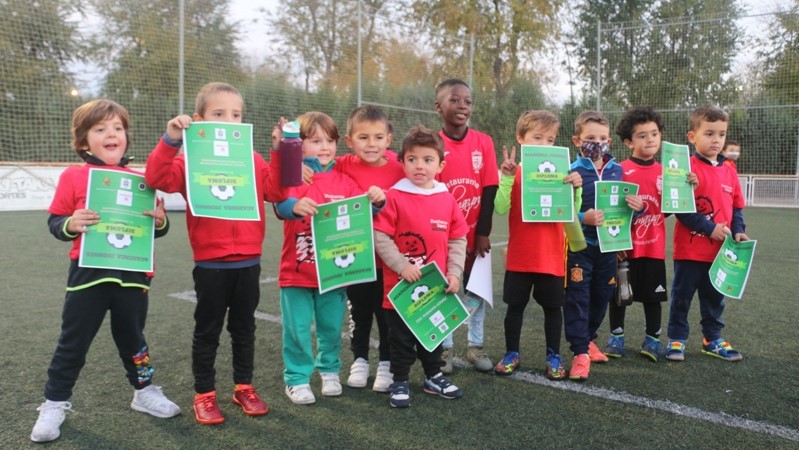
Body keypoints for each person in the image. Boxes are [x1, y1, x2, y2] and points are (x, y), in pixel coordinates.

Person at [31, 99, 180, 443]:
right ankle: (54, 403)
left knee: (134, 340)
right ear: (84, 141)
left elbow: (156, 229)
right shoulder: (73, 176)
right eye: (100, 129)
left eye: (117, 128)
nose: (111, 134)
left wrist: (160, 221)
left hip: (133, 277)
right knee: (73, 343)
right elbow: (55, 222)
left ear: (126, 136)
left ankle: (144, 391)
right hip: (88, 276)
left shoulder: (144, 180)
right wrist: (71, 223)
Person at [145, 82, 285, 425]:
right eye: (219, 113)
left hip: (249, 261)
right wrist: (171, 140)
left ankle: (244, 388)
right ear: (199, 119)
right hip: (210, 264)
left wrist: (280, 150)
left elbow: (276, 190)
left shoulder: (252, 158)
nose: (229, 121)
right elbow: (157, 178)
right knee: (207, 331)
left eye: (236, 115)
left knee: (244, 329)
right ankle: (204, 394)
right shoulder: (190, 158)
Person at [273, 112, 385, 405]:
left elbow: (363, 212)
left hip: (334, 275)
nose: (324, 147)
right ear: (299, 145)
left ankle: (329, 370)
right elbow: (279, 205)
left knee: (331, 327)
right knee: (297, 329)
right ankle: (297, 379)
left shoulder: (345, 182)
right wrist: (294, 206)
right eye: (315, 141)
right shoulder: (292, 177)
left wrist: (376, 201)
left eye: (330, 141)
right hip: (296, 274)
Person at [374, 125, 468, 408]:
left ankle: (433, 376)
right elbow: (380, 237)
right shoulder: (393, 196)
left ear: (440, 165)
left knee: (433, 336)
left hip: (435, 292)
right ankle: (400, 380)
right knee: (400, 339)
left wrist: (454, 273)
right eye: (412, 159)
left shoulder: (447, 199)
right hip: (400, 291)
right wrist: (401, 266)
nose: (419, 166)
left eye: (428, 160)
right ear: (402, 162)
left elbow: (458, 239)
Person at [493, 110, 582, 380]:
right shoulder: (515, 173)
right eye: (537, 138)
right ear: (521, 138)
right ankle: (512, 353)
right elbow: (500, 208)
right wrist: (507, 178)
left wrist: (576, 190)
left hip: (551, 257)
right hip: (520, 257)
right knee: (515, 308)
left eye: (550, 140)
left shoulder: (561, 174)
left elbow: (572, 214)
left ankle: (553, 355)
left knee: (553, 309)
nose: (545, 144)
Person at [604, 106, 696, 362]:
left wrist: (688, 188)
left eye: (654, 134)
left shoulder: (668, 173)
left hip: (653, 247)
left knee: (653, 297)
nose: (650, 140)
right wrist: (615, 241)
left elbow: (667, 211)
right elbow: (611, 209)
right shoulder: (619, 170)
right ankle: (616, 337)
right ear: (628, 142)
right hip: (624, 247)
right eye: (642, 135)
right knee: (619, 296)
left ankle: (653, 339)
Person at [564, 110, 644, 381]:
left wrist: (639, 208)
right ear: (577, 140)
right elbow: (560, 210)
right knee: (578, 298)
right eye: (590, 138)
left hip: (609, 248)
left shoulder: (617, 171)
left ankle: (587, 339)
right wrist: (581, 217)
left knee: (602, 296)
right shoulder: (571, 171)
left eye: (602, 139)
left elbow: (623, 210)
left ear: (609, 141)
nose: (596, 144)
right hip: (580, 247)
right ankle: (579, 353)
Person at [666, 105, 748, 362]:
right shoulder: (685, 168)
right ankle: (676, 338)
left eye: (721, 134)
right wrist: (710, 228)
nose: (716, 140)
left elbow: (737, 207)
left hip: (720, 253)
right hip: (689, 251)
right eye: (709, 133)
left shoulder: (729, 171)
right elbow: (681, 209)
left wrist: (739, 231)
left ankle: (712, 338)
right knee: (682, 296)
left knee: (714, 299)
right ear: (692, 137)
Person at [337, 105, 406, 392]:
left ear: (389, 139)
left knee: (386, 314)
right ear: (349, 140)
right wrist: (305, 167)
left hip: (388, 260)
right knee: (360, 313)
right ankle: (360, 360)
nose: (371, 144)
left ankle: (387, 364)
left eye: (378, 137)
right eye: (363, 137)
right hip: (356, 259)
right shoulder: (341, 165)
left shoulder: (400, 168)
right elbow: (319, 167)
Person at [434, 79, 499, 373]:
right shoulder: (434, 144)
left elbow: (489, 189)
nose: (462, 106)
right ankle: (445, 349)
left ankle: (475, 345)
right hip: (443, 237)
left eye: (468, 101)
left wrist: (483, 232)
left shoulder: (483, 142)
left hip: (475, 235)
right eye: (454, 100)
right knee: (445, 290)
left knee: (477, 291)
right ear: (439, 106)